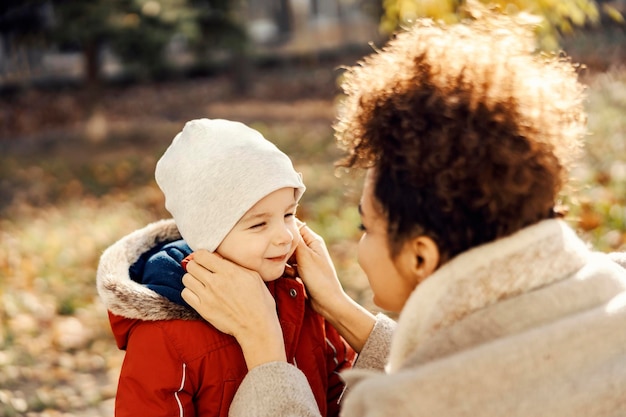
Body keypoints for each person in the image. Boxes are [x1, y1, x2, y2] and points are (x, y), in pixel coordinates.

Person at [180, 10, 626, 417]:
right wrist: (339, 309)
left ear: (420, 257)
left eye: (365, 226)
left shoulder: (405, 406)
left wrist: (264, 351)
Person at [96, 118, 356, 417]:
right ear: (207, 236)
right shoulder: (167, 335)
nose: (285, 236)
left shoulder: (300, 296)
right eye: (259, 224)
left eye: (288, 214)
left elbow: (342, 392)